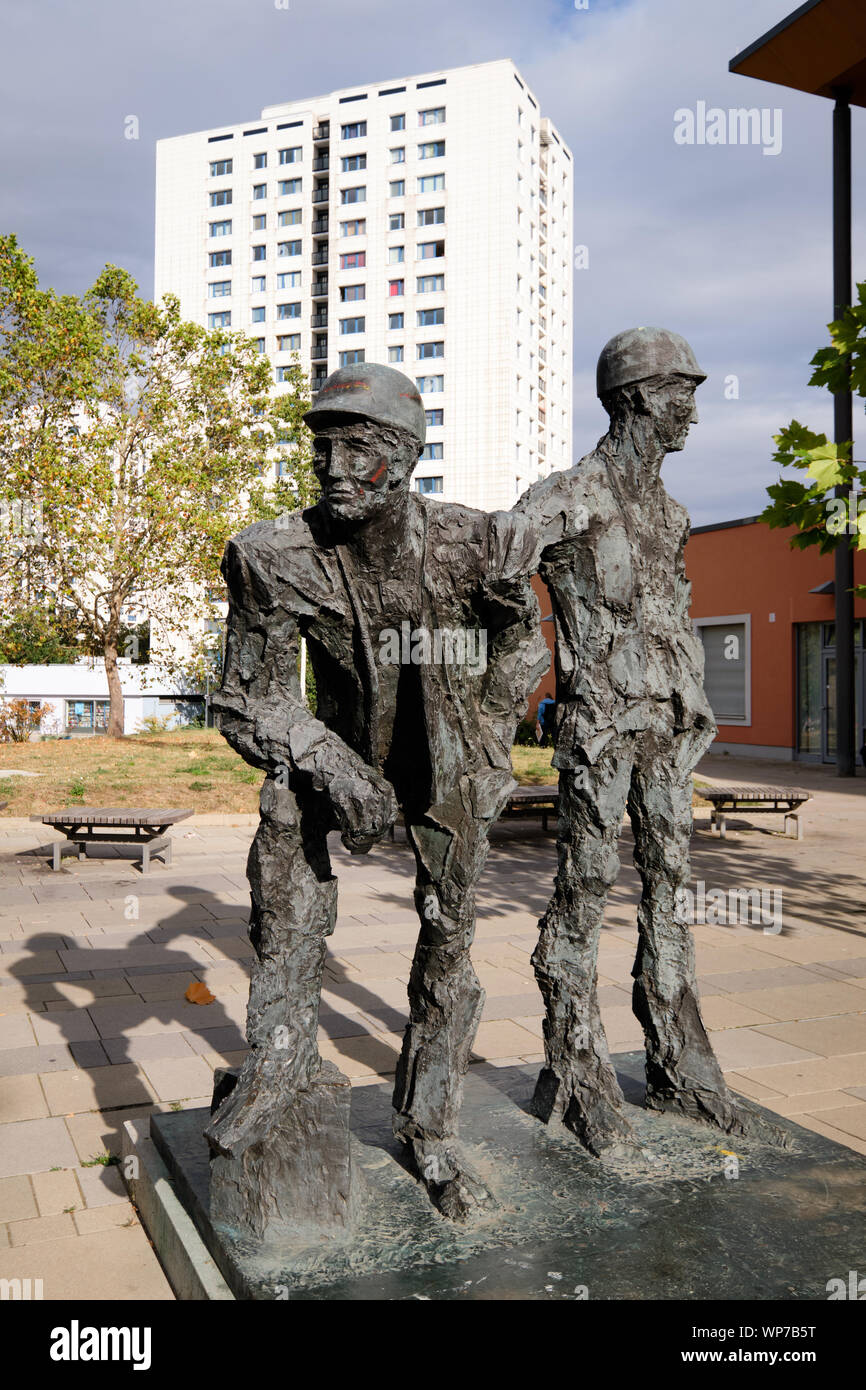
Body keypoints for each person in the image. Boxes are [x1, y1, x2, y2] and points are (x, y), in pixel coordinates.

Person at [206, 363, 548, 1225]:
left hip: (447, 765)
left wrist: (488, 734)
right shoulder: (272, 553)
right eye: (321, 446)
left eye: (354, 447)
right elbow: (247, 692)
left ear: (403, 458)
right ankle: (279, 1064)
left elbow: (524, 655)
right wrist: (333, 762)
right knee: (282, 842)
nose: (329, 466)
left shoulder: (481, 542)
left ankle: (431, 1130)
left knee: (449, 946)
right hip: (333, 757)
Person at [515, 327, 776, 1156]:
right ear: (635, 397)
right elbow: (495, 587)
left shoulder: (672, 512)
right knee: (584, 889)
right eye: (681, 394)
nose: (693, 411)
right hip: (598, 732)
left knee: (671, 888)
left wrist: (694, 694)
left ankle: (677, 1058)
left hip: (667, 729)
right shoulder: (564, 497)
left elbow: (671, 611)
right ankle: (580, 1068)